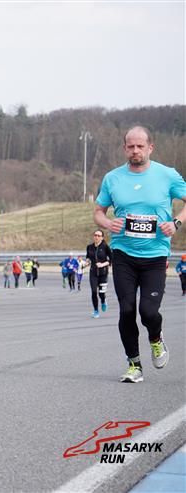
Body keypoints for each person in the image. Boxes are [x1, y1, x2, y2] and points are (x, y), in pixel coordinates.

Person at [94, 126, 186, 383]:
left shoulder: (167, 175)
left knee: (148, 312)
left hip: (155, 255)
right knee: (126, 310)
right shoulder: (112, 178)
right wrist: (108, 223)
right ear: (125, 148)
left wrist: (176, 223)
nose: (135, 151)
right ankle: (134, 364)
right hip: (123, 253)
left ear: (150, 148)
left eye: (140, 146)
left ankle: (156, 338)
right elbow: (98, 211)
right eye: (130, 146)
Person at [85, 229, 112, 318]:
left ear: (102, 237)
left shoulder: (105, 247)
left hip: (103, 273)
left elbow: (111, 259)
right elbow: (88, 257)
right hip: (93, 273)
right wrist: (87, 262)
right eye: (95, 235)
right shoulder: (89, 247)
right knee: (93, 292)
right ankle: (96, 311)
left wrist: (102, 264)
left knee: (101, 293)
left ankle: (103, 301)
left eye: (98, 236)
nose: (96, 237)